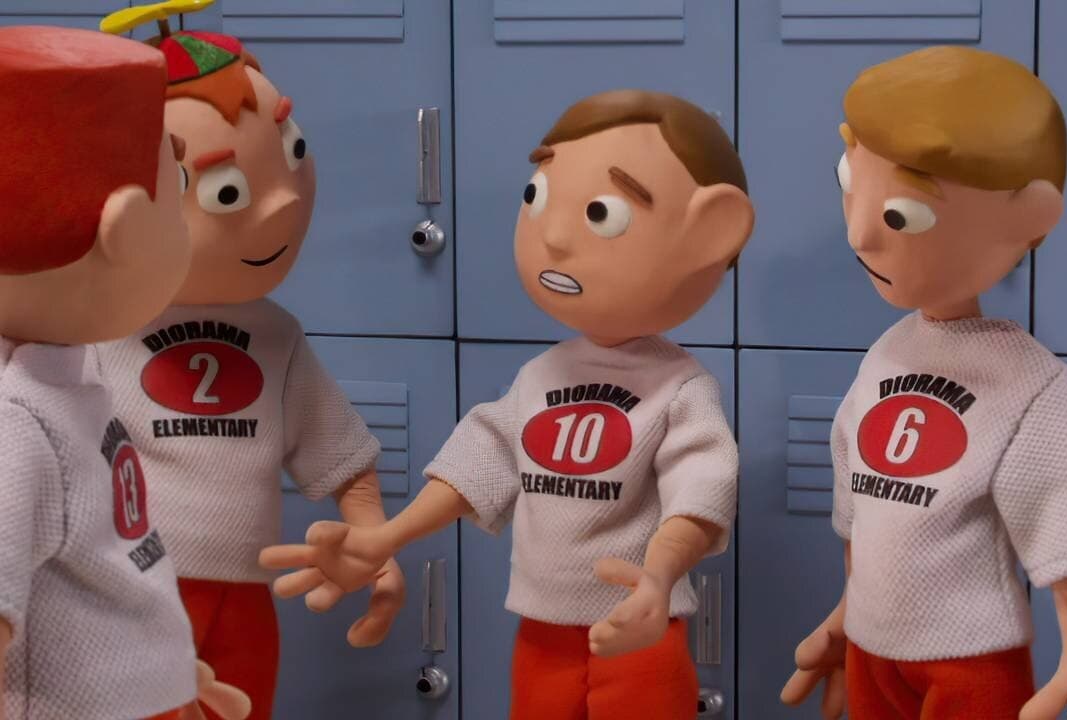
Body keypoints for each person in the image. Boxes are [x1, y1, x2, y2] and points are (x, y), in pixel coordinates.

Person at [262, 89, 754, 720]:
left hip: (641, 633)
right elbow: (481, 464)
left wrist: (658, 577)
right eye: (537, 197)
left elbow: (702, 488)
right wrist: (386, 536)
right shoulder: (538, 376)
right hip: (540, 633)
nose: (554, 236)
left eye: (601, 214)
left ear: (712, 232)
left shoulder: (681, 389)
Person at [780, 46, 1067, 720]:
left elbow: (1066, 510)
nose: (859, 234)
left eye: (901, 215)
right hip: (871, 647)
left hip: (970, 657)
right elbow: (863, 500)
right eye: (850, 179)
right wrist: (850, 608)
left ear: (1028, 219)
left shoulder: (1027, 380)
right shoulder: (886, 353)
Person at [94, 30, 402, 720]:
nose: (280, 205)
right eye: (228, 190)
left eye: (292, 151)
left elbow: (342, 455)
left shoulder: (277, 336)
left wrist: (375, 544)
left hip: (246, 596)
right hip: (130, 590)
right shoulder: (101, 326)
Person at [0, 25, 201, 720]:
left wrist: (171, 672)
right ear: (125, 228)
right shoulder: (15, 427)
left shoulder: (63, 375)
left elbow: (107, 562)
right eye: (178, 189)